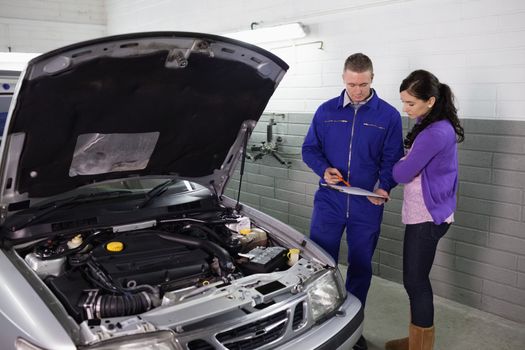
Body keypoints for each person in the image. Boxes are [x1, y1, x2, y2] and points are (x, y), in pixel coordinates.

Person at [302, 53, 404, 350]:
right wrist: (324, 169)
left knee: (360, 266)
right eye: (351, 84)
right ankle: (315, 325)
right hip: (329, 202)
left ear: (372, 79)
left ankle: (352, 330)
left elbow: (392, 158)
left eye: (363, 84)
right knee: (321, 264)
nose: (357, 90)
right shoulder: (325, 111)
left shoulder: (387, 116)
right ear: (343, 79)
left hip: (366, 205)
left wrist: (384, 187)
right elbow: (309, 149)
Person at [385, 70, 464, 350]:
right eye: (403, 102)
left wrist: (399, 163)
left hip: (427, 216)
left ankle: (420, 346)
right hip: (430, 212)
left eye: (410, 103)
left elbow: (403, 173)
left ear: (430, 101)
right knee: (415, 280)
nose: (405, 109)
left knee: (415, 282)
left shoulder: (434, 132)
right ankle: (415, 339)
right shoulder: (432, 122)